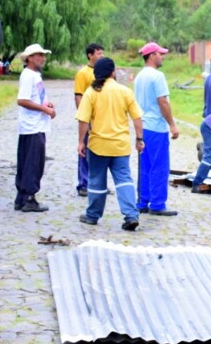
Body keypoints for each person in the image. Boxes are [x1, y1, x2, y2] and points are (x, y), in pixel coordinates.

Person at [75, 57, 144, 231]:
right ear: (113, 72)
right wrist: (139, 139)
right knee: (124, 180)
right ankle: (131, 215)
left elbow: (83, 120)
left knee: (96, 180)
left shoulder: (91, 92)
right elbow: (137, 117)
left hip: (98, 146)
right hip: (120, 146)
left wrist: (80, 142)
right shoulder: (125, 91)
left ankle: (92, 216)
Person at [133, 41, 179, 216]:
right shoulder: (157, 76)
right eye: (160, 53)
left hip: (142, 127)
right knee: (159, 166)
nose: (163, 56)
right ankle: (158, 204)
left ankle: (143, 201)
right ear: (152, 55)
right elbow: (163, 102)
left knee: (145, 166)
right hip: (157, 128)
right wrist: (172, 125)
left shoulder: (139, 77)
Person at [14, 43, 56, 213]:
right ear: (30, 58)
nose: (42, 58)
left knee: (28, 161)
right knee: (33, 163)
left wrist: (46, 104)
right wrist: (44, 109)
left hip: (37, 124)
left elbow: (35, 97)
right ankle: (29, 198)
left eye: (43, 55)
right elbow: (22, 100)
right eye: (39, 55)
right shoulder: (28, 75)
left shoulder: (35, 75)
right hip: (32, 126)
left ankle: (21, 198)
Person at [73, 43, 104, 197]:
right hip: (89, 119)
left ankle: (98, 182)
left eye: (102, 53)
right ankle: (83, 183)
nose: (101, 56)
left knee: (101, 152)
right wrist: (84, 118)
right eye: (98, 53)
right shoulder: (83, 74)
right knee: (84, 150)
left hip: (102, 119)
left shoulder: (104, 73)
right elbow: (78, 96)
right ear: (90, 55)